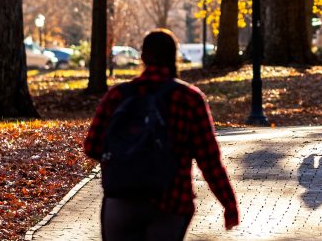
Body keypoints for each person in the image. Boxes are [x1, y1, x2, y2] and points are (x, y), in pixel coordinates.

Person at [85, 29, 239, 241]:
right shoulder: (189, 98)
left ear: (143, 57)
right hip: (171, 202)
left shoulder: (118, 95)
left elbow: (92, 146)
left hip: (122, 200)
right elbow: (209, 160)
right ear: (174, 56)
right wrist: (228, 204)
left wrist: (126, 157)